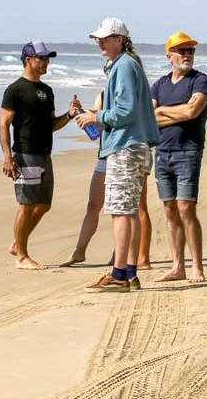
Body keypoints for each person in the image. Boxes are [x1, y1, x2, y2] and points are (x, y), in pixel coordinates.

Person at [76, 18, 159, 293]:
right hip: (135, 145)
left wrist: (96, 116)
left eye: (106, 38)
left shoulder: (123, 66)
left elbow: (125, 111)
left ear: (120, 40)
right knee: (129, 211)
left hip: (125, 146)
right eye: (98, 38)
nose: (100, 42)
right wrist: (98, 117)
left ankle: (119, 274)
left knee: (120, 211)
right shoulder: (126, 65)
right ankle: (130, 272)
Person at [0, 41, 79, 270]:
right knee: (26, 204)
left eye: (47, 58)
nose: (46, 62)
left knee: (43, 204)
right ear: (28, 60)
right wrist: (7, 157)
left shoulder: (47, 91)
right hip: (25, 154)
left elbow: (51, 125)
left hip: (45, 154)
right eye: (41, 58)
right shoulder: (15, 90)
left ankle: (18, 244)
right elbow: (4, 125)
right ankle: (22, 256)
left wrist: (70, 115)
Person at [60, 90, 153, 270]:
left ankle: (129, 256)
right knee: (93, 205)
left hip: (129, 154)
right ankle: (79, 251)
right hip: (106, 155)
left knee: (132, 208)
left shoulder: (135, 93)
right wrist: (83, 116)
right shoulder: (103, 95)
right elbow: (98, 128)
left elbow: (133, 121)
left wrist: (96, 119)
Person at [151, 32, 207, 283]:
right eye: (182, 51)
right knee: (169, 209)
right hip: (162, 151)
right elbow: (149, 117)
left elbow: (192, 111)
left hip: (188, 150)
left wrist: (163, 112)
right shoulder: (159, 84)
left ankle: (197, 266)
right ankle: (178, 266)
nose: (187, 55)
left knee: (186, 208)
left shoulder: (200, 81)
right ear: (170, 56)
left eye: (190, 51)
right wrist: (172, 113)